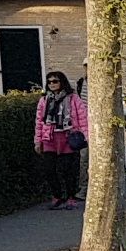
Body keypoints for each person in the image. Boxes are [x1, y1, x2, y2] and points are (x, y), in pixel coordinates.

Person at [33, 71, 86, 209]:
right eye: (49, 82)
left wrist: (86, 137)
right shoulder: (44, 100)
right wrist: (37, 141)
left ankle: (70, 198)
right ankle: (57, 196)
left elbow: (83, 119)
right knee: (49, 170)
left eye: (55, 81)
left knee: (69, 171)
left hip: (68, 138)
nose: (52, 84)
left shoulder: (73, 98)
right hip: (49, 138)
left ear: (62, 82)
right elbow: (39, 122)